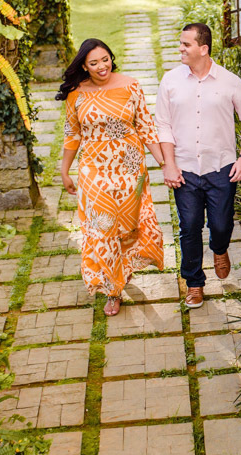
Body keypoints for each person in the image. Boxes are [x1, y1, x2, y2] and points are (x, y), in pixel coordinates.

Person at [153, 23, 241, 308]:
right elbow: (162, 124)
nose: (181, 49)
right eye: (180, 43)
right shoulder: (170, 81)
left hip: (221, 168)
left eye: (186, 44)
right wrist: (169, 165)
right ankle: (194, 283)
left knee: (222, 225)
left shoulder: (229, 82)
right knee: (189, 227)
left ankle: (220, 248)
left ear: (203, 48)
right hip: (185, 170)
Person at [58, 38, 166, 317]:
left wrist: (164, 163)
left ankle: (123, 269)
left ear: (111, 57)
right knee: (102, 229)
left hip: (130, 169)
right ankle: (113, 289)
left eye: (105, 59)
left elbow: (146, 127)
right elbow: (72, 134)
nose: (101, 66)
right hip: (94, 172)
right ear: (84, 66)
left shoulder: (130, 86)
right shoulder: (75, 94)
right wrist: (64, 170)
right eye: (93, 63)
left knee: (126, 228)